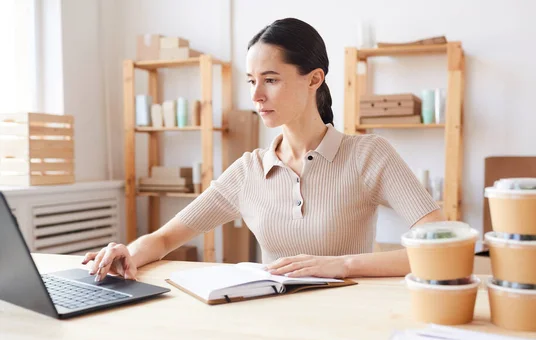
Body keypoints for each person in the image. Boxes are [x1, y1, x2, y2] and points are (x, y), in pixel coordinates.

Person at [83, 17, 444, 282]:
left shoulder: (369, 155)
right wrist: (127, 252)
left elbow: (441, 244)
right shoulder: (249, 170)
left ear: (314, 79)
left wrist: (343, 264)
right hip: (271, 321)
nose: (256, 96)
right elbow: (166, 238)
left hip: (345, 323)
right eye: (252, 81)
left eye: (270, 80)